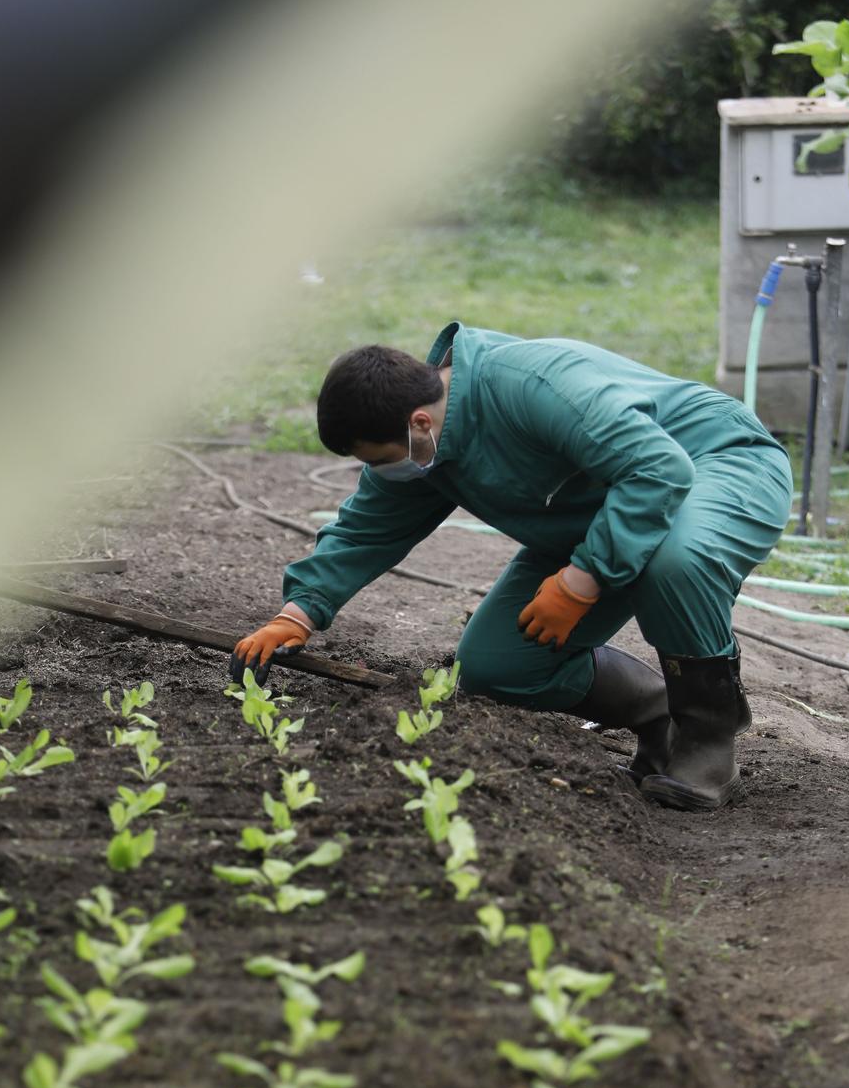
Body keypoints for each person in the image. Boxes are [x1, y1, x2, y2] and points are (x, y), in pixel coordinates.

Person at [233, 323, 794, 812]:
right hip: (606, 511)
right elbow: (364, 530)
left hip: (714, 462)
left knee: (675, 561)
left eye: (379, 458)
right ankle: (659, 713)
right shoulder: (425, 451)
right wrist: (298, 614)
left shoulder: (533, 385)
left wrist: (581, 579)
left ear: (420, 422)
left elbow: (658, 471)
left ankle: (706, 736)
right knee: (499, 665)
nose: (380, 471)